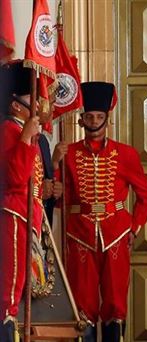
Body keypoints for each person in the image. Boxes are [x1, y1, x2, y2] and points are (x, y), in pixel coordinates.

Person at [55, 81, 147, 342]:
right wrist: (54, 163)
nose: (94, 121)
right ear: (82, 120)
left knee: (115, 301)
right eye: (89, 116)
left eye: (99, 117)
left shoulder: (126, 154)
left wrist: (134, 228)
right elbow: (58, 198)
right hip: (79, 235)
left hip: (117, 234)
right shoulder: (69, 154)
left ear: (107, 120)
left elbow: (146, 197)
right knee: (82, 302)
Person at [0, 60, 53, 342]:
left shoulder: (24, 131)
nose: (37, 102)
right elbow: (16, 178)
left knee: (23, 286)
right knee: (10, 289)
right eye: (31, 97)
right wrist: (25, 136)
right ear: (15, 104)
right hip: (14, 213)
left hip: (27, 215)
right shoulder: (10, 130)